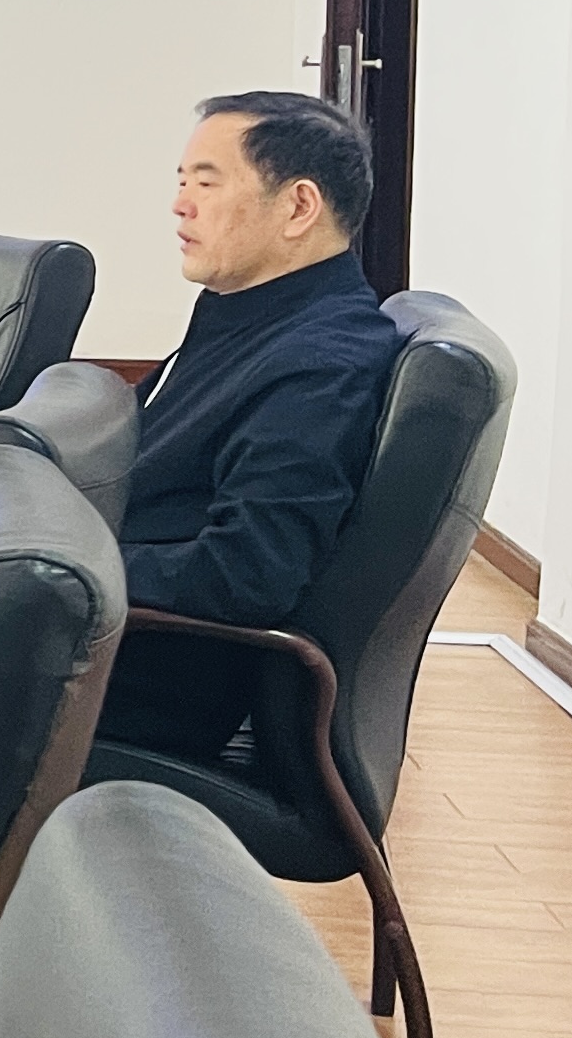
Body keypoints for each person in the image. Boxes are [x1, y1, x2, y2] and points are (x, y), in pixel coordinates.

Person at [97, 91, 408, 758]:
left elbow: (246, 574)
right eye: (182, 182)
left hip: (133, 677)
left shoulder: (320, 363)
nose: (180, 204)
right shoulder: (249, 310)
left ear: (298, 207)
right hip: (92, 632)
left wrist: (53, 559)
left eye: (206, 184)